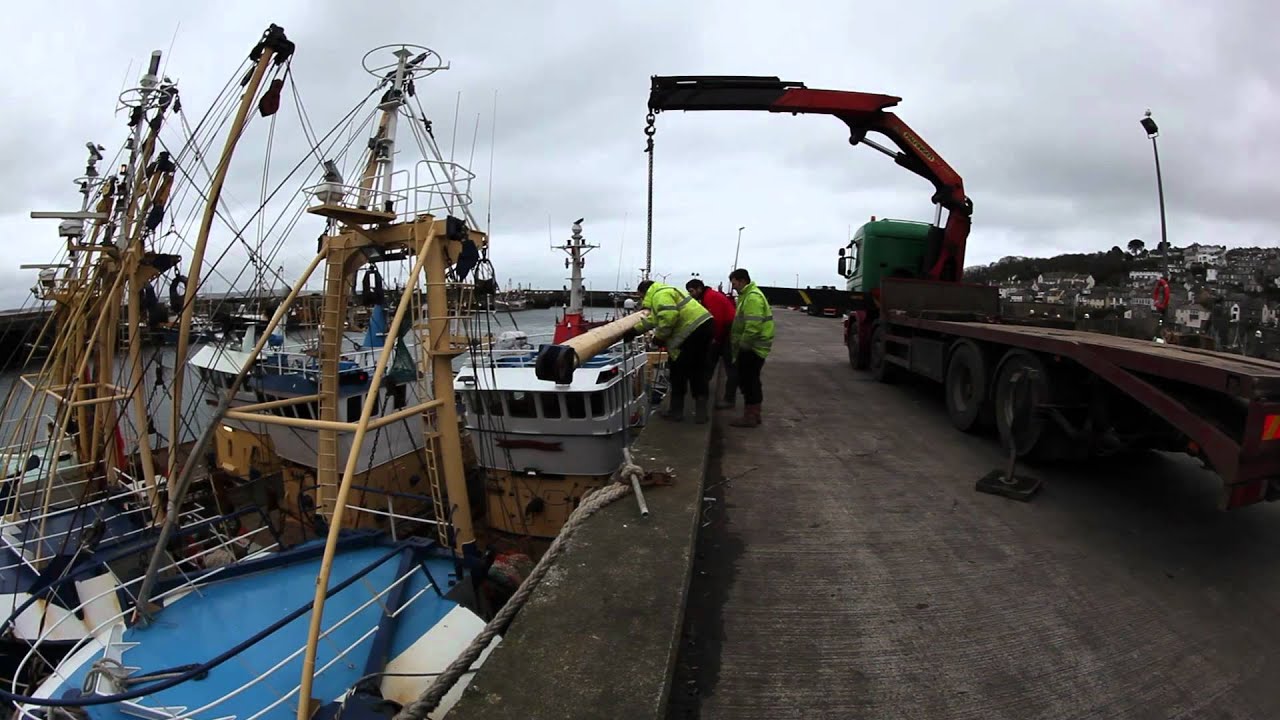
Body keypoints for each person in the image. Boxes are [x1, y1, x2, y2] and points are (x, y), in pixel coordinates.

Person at [623, 279, 714, 423]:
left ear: (645, 292)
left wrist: (659, 338)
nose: (641, 300)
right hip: (703, 327)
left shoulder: (660, 295)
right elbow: (654, 319)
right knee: (698, 370)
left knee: (679, 371)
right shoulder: (665, 291)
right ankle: (701, 413)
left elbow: (668, 317)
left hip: (693, 332)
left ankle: (676, 412)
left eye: (641, 296)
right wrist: (635, 330)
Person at [728, 268, 775, 428]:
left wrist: (743, 344)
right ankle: (753, 414)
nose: (733, 287)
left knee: (749, 381)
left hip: (752, 348)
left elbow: (753, 325)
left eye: (734, 283)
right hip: (753, 346)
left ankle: (751, 417)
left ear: (742, 281)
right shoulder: (748, 296)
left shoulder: (752, 298)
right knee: (750, 380)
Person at [685, 278, 737, 409]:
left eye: (692, 291)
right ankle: (703, 389)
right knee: (710, 361)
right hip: (726, 332)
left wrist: (715, 339)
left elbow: (718, 321)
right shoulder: (708, 296)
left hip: (728, 332)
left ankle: (729, 399)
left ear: (699, 289)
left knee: (730, 367)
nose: (691, 294)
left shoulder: (711, 297)